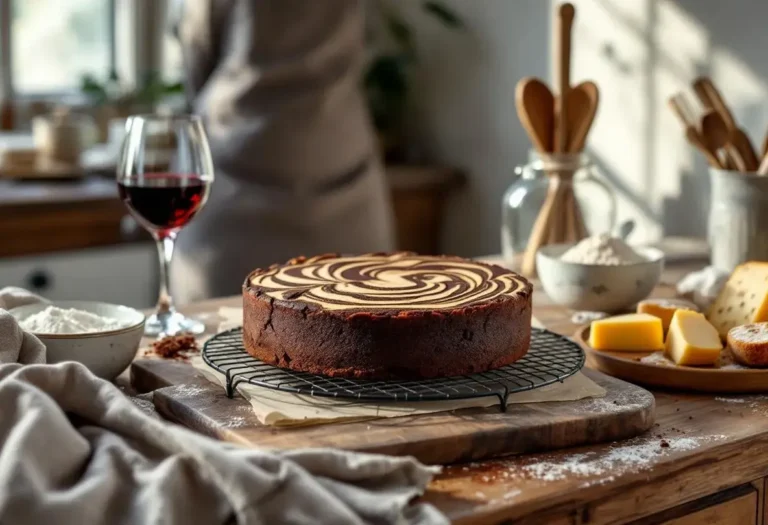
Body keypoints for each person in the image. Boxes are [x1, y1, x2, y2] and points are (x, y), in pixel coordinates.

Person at [170, 0, 395, 303]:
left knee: (230, 330)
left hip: (240, 159)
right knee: (354, 324)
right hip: (338, 155)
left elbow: (198, 53)